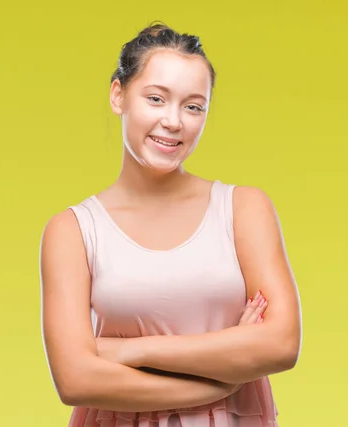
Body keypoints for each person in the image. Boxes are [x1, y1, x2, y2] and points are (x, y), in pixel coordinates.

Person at [39, 22, 302, 427]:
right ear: (118, 94)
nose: (174, 121)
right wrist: (218, 383)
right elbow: (74, 378)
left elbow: (282, 344)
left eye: (193, 106)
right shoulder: (72, 231)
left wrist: (129, 351)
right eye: (157, 99)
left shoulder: (244, 208)